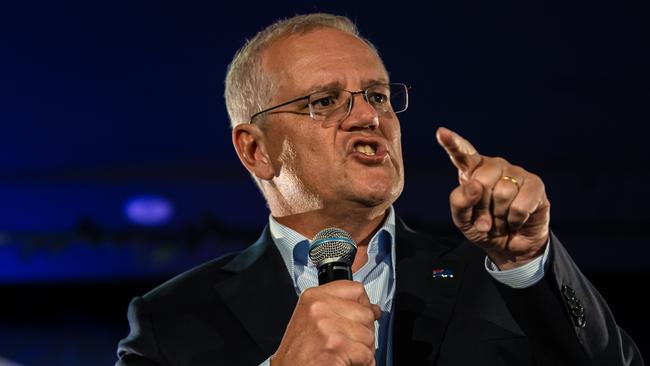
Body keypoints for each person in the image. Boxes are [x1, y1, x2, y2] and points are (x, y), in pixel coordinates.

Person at [116, 13, 643, 366]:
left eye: (377, 95)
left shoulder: (497, 280)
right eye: (324, 101)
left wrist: (527, 262)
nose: (367, 115)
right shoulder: (170, 318)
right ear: (256, 150)